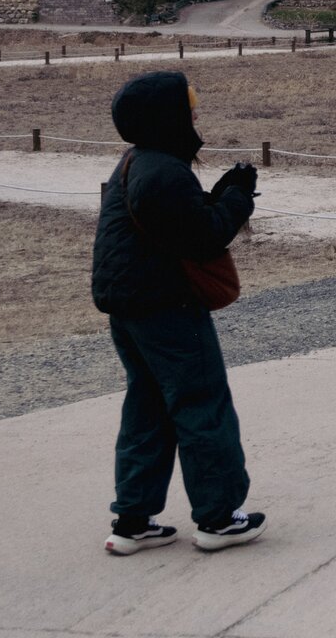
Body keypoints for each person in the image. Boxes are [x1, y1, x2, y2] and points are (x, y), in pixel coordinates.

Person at [92, 71, 267, 557]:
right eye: (188, 108)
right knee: (201, 404)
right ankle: (217, 517)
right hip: (166, 307)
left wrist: (222, 194)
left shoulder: (138, 162)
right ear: (166, 116)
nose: (195, 115)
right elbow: (202, 236)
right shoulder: (162, 171)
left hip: (132, 307)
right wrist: (236, 198)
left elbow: (180, 222)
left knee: (147, 408)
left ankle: (133, 519)